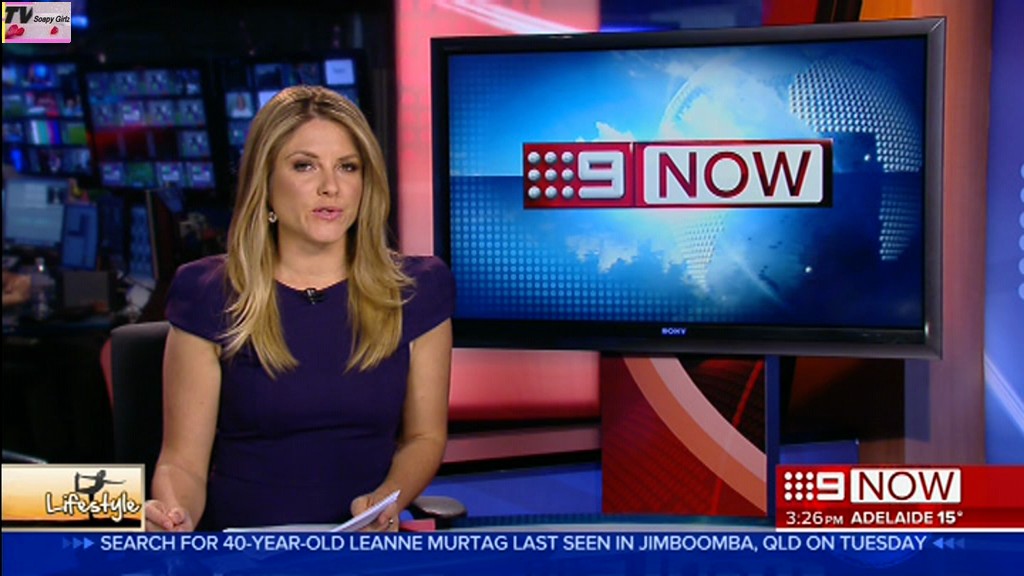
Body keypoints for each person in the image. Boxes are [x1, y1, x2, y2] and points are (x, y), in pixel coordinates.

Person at [145, 85, 454, 532]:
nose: (331, 187)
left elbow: (425, 437)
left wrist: (388, 500)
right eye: (305, 166)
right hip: (244, 550)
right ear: (266, 182)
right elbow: (182, 464)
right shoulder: (208, 293)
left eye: (348, 167)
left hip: (362, 547)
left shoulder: (417, 290)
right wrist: (177, 514)